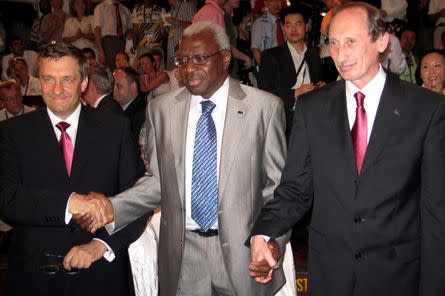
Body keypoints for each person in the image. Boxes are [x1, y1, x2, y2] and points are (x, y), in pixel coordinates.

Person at [73, 21, 289, 296]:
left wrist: (272, 239)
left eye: (199, 58)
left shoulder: (264, 108)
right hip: (183, 257)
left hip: (245, 255)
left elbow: (278, 189)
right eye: (183, 60)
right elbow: (159, 183)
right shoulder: (160, 110)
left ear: (225, 58)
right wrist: (111, 208)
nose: (188, 69)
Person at [248, 2, 445, 296]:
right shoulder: (312, 108)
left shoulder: (426, 109)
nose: (340, 54)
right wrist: (262, 232)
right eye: (334, 43)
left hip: (398, 275)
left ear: (381, 41)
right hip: (331, 274)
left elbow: (437, 212)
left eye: (351, 42)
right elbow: (295, 189)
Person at [0, 42, 148, 296]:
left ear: (83, 82)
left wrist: (100, 245)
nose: (57, 90)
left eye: (67, 79)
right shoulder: (12, 132)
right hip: (34, 278)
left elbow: (137, 202)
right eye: (48, 79)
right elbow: (8, 200)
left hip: (102, 277)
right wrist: (70, 203)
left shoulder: (115, 129)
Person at [258, 6, 324, 137]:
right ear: (283, 28)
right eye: (288, 25)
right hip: (285, 123)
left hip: (313, 119)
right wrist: (295, 92)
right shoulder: (270, 56)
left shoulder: (314, 56)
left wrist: (321, 88)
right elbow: (264, 91)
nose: (293, 30)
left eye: (298, 24)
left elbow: (318, 84)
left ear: (307, 26)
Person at [93, 0, 133, 70]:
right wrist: (100, 50)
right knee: (110, 69)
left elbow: (129, 28)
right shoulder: (100, 7)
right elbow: (97, 29)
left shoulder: (125, 10)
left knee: (123, 68)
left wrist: (129, 34)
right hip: (108, 43)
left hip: (122, 42)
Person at [113, 66, 147, 139]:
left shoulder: (142, 113)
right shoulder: (112, 106)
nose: (113, 90)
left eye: (118, 86)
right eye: (113, 86)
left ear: (133, 86)